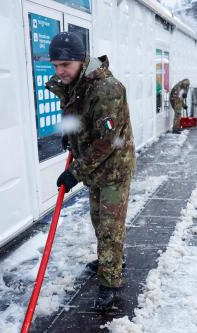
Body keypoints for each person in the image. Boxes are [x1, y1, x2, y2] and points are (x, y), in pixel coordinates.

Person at [45, 32, 136, 310]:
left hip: (113, 167)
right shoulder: (77, 82)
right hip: (95, 167)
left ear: (81, 60)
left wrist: (75, 171)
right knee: (99, 219)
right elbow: (81, 115)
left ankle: (111, 284)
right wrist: (71, 136)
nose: (60, 72)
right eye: (55, 65)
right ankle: (111, 259)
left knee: (110, 227)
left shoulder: (106, 89)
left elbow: (107, 140)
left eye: (65, 65)